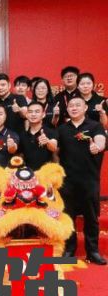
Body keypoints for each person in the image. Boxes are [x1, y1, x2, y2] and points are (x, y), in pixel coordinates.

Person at [57, 96, 106, 265]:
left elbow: (101, 140)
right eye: (71, 105)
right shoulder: (62, 129)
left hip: (89, 179)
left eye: (78, 105)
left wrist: (97, 146)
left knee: (91, 217)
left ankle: (93, 251)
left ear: (85, 108)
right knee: (68, 216)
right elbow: (56, 151)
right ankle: (69, 250)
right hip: (68, 181)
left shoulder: (94, 126)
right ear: (67, 109)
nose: (74, 108)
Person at [19, 102, 58, 170]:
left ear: (43, 114)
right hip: (28, 173)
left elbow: (54, 147)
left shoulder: (51, 132)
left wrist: (47, 141)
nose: (33, 114)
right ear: (27, 115)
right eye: (30, 112)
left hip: (46, 173)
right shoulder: (23, 135)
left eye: (37, 112)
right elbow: (21, 155)